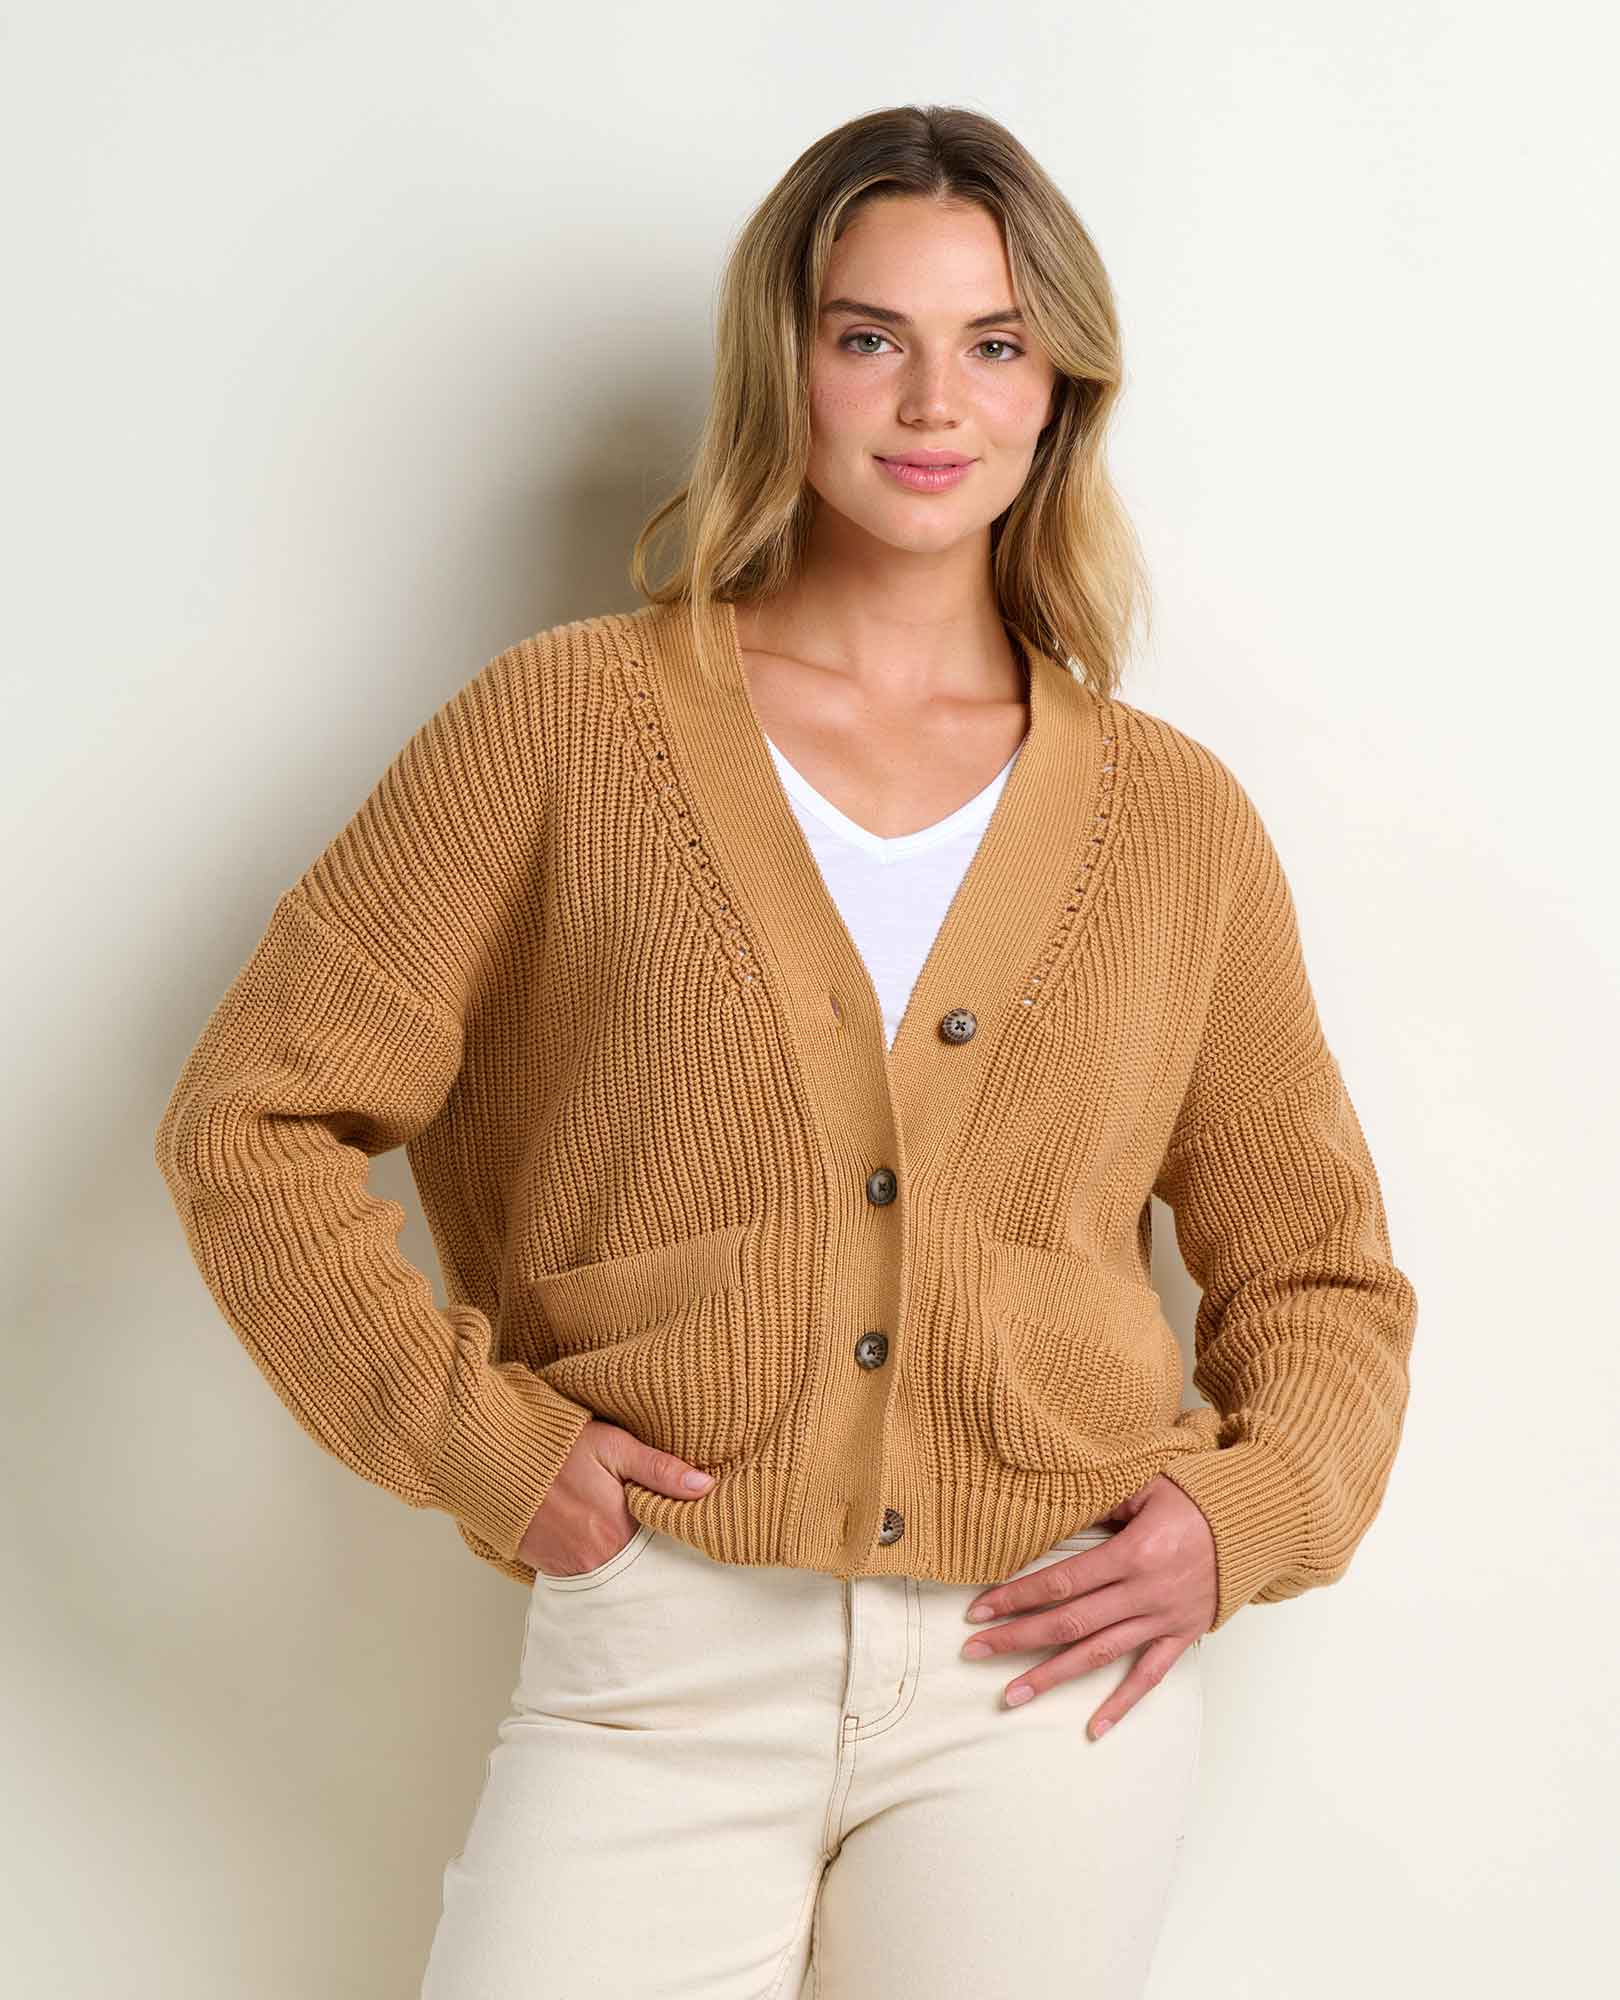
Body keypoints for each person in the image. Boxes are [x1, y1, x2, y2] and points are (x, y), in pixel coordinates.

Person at [154, 104, 1418, 1999]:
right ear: (784, 364)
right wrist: (486, 1448)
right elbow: (250, 1121)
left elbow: (1319, 1269)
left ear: (1061, 389)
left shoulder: (1174, 823)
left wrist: (1246, 1517)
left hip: (1042, 1679)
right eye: (869, 335)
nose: (934, 402)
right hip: (661, 1649)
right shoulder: (565, 729)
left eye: (996, 343)